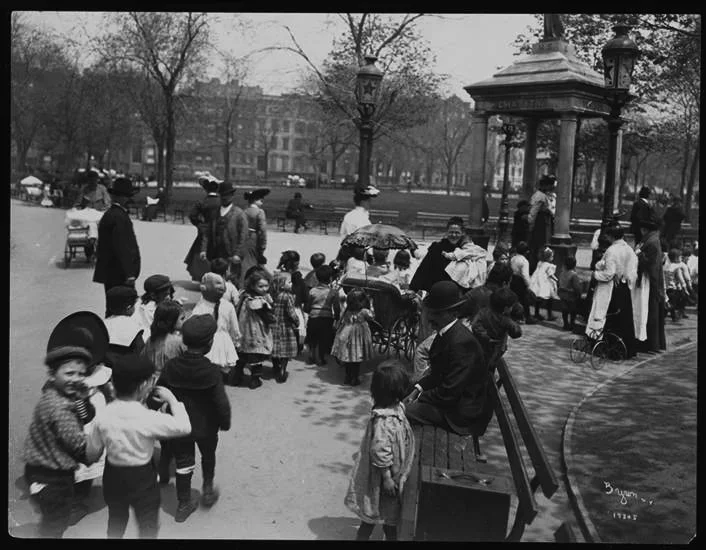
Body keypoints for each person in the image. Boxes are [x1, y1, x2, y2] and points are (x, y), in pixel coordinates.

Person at [85, 354, 191, 537]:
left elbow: (91, 454)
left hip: (113, 476)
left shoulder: (103, 416)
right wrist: (172, 400)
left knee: (116, 520)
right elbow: (184, 427)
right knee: (147, 524)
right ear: (143, 385)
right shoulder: (148, 418)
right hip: (142, 478)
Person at [23, 314, 107, 538]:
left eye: (81, 374)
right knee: (55, 527)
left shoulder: (53, 391)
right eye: (69, 373)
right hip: (54, 480)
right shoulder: (61, 411)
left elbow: (85, 415)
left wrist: (81, 399)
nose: (76, 379)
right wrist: (101, 434)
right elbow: (85, 453)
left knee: (50, 522)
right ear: (53, 373)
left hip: (39, 470)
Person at [159, 315, 232, 522]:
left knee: (183, 461)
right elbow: (221, 402)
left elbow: (159, 391)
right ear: (209, 343)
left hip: (180, 426)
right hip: (207, 427)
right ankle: (207, 489)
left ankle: (183, 504)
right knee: (208, 456)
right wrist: (224, 422)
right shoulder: (212, 371)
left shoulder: (171, 366)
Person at [403, 281, 489, 436]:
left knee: (401, 411)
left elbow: (449, 392)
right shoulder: (446, 332)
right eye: (430, 312)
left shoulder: (462, 343)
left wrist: (420, 397)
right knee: (398, 390)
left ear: (453, 313)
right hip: (449, 401)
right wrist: (417, 389)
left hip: (460, 414)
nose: (430, 318)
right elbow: (437, 374)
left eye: (437, 313)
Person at [344, 360, 415, 541]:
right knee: (385, 517)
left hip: (393, 470)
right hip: (386, 476)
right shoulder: (384, 420)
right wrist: (387, 478)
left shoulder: (394, 407)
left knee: (380, 513)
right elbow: (380, 451)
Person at [586, 222, 638, 358]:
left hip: (612, 289)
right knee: (624, 318)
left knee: (608, 317)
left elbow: (609, 273)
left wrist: (595, 274)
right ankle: (626, 349)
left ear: (610, 236)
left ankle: (609, 349)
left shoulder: (611, 250)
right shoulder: (629, 249)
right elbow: (633, 271)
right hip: (624, 287)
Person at [93, 177, 141, 316]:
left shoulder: (111, 214)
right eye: (127, 196)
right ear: (121, 197)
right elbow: (122, 247)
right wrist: (129, 274)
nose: (128, 200)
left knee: (114, 306)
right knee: (122, 308)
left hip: (112, 272)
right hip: (119, 273)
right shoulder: (118, 217)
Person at [410, 217, 487, 293]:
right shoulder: (437, 248)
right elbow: (424, 268)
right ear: (447, 232)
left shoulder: (468, 250)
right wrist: (413, 288)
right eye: (451, 232)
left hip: (459, 293)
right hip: (438, 290)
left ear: (462, 233)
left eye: (457, 232)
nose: (453, 235)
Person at [191, 272, 241, 385]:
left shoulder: (201, 305)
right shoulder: (228, 306)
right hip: (223, 339)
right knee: (223, 364)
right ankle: (221, 381)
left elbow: (193, 323)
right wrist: (236, 341)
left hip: (207, 340)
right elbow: (234, 327)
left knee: (208, 363)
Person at [235, 269, 274, 389]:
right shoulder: (257, 301)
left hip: (243, 329)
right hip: (255, 331)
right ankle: (254, 379)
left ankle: (237, 375)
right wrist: (272, 318)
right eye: (260, 286)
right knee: (256, 354)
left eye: (266, 285)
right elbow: (267, 316)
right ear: (252, 285)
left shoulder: (244, 295)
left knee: (242, 354)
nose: (264, 289)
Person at [633, 216, 667, 353]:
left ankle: (651, 344)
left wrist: (639, 255)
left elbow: (651, 264)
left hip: (650, 282)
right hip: (650, 279)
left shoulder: (651, 242)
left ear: (644, 229)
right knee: (650, 312)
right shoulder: (650, 240)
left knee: (650, 313)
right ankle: (651, 343)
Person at [206, 181, 249, 287]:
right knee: (216, 281)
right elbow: (208, 233)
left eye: (227, 195)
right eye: (222, 195)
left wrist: (238, 254)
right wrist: (204, 250)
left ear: (232, 196)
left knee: (232, 281)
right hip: (216, 254)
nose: (225, 197)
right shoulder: (214, 212)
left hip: (231, 254)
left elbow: (243, 236)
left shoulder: (239, 213)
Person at [331, 288, 378, 386]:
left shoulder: (347, 311)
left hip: (346, 333)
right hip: (360, 336)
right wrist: (372, 305)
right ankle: (354, 378)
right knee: (357, 360)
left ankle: (347, 377)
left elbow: (341, 318)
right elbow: (372, 316)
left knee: (348, 359)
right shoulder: (364, 311)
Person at [471, 287, 523, 363]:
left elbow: (475, 325)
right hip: (496, 348)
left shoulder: (483, 312)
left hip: (480, 345)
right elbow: (516, 333)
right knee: (490, 365)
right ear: (506, 308)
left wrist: (485, 336)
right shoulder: (506, 320)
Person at [184, 177, 221, 282]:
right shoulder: (221, 202)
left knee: (200, 251)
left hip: (204, 229)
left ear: (206, 189)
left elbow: (192, 215)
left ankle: (201, 276)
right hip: (218, 230)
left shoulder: (202, 202)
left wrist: (199, 224)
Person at [304, 265, 341, 367]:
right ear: (330, 279)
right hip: (326, 318)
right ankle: (320, 358)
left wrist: (308, 311)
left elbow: (307, 306)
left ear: (317, 277)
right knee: (323, 339)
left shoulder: (312, 291)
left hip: (313, 316)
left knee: (312, 336)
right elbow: (336, 307)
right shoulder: (333, 292)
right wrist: (337, 317)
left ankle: (311, 355)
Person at [141, 299, 186, 378]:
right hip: (171, 380)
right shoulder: (178, 341)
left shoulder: (151, 339)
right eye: (182, 319)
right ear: (171, 321)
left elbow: (142, 360)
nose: (184, 321)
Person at [104, 286, 146, 368]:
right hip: (127, 369)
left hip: (106, 368)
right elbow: (141, 352)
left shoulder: (103, 323)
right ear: (129, 307)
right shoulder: (133, 326)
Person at [271, 271, 300, 383]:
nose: (291, 284)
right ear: (282, 284)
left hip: (274, 326)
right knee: (285, 351)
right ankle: (282, 369)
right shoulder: (288, 296)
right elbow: (291, 312)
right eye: (289, 282)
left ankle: (275, 367)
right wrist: (297, 322)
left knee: (275, 348)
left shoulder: (273, 295)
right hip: (286, 326)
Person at [276, 250, 308, 352]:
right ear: (297, 263)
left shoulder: (277, 276)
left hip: (278, 307)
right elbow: (305, 297)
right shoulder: (299, 279)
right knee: (297, 327)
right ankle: (296, 348)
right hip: (295, 306)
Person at [528, 175, 557, 272]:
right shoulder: (540, 196)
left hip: (544, 223)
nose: (551, 188)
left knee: (540, 245)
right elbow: (533, 212)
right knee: (539, 246)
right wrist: (531, 226)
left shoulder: (543, 195)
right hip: (540, 225)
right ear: (545, 185)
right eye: (550, 186)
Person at [241, 188, 271, 283]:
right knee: (253, 262)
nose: (262, 201)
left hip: (243, 238)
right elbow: (262, 231)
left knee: (245, 262)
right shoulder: (259, 212)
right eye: (260, 199)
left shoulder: (244, 211)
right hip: (254, 239)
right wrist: (262, 246)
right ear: (255, 200)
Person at [133, 274, 175, 339]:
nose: (169, 297)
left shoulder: (143, 300)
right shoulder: (150, 309)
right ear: (153, 295)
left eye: (169, 294)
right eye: (165, 295)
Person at [528, 247, 558, 321]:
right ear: (548, 258)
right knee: (549, 298)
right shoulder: (549, 265)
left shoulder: (539, 262)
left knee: (539, 298)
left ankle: (536, 313)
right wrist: (556, 280)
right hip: (545, 282)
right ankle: (549, 314)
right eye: (552, 256)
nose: (553, 258)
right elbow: (550, 275)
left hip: (537, 281)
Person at [509, 241, 535, 324]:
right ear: (526, 251)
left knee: (514, 299)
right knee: (525, 300)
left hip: (513, 279)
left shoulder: (513, 258)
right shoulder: (524, 261)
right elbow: (525, 275)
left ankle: (515, 316)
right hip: (520, 281)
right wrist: (528, 284)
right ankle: (527, 317)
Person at [664, 248, 693, 321]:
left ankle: (673, 316)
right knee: (673, 304)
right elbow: (681, 279)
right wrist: (685, 288)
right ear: (676, 258)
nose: (681, 258)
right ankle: (667, 316)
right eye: (680, 257)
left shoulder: (665, 267)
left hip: (666, 288)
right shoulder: (678, 267)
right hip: (674, 289)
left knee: (669, 302)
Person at [557, 256, 584, 331]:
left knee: (564, 310)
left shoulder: (562, 273)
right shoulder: (574, 275)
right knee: (573, 311)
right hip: (571, 295)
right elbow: (576, 287)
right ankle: (572, 324)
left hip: (562, 294)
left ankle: (565, 324)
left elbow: (559, 282)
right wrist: (579, 294)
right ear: (574, 265)